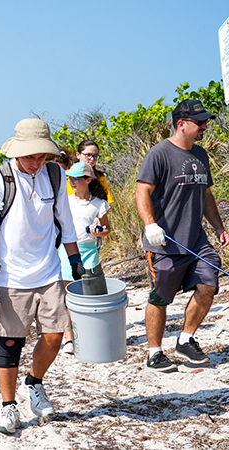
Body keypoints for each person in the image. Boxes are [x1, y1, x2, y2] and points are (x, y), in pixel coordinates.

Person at [0, 118, 82, 434]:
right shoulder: (0, 180)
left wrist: (75, 260)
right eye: (30, 156)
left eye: (41, 156)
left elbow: (65, 220)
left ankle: (34, 383)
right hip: (9, 275)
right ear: (18, 151)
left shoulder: (54, 174)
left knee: (54, 337)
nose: (36, 162)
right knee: (10, 342)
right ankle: (9, 408)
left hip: (49, 270)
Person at [136, 99, 228, 372]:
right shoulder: (159, 153)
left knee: (209, 283)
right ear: (181, 124)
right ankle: (154, 353)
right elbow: (142, 191)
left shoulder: (200, 155)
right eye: (199, 122)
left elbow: (206, 194)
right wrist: (150, 224)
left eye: (205, 122)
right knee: (161, 297)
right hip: (165, 241)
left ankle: (186, 339)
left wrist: (219, 227)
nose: (204, 127)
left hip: (196, 239)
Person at [57, 162, 111, 354]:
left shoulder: (99, 204)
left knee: (90, 294)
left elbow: (106, 229)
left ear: (88, 180)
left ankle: (90, 335)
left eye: (76, 178)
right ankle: (69, 339)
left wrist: (98, 232)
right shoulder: (65, 200)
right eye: (70, 178)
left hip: (89, 250)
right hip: (67, 250)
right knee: (68, 295)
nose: (72, 181)